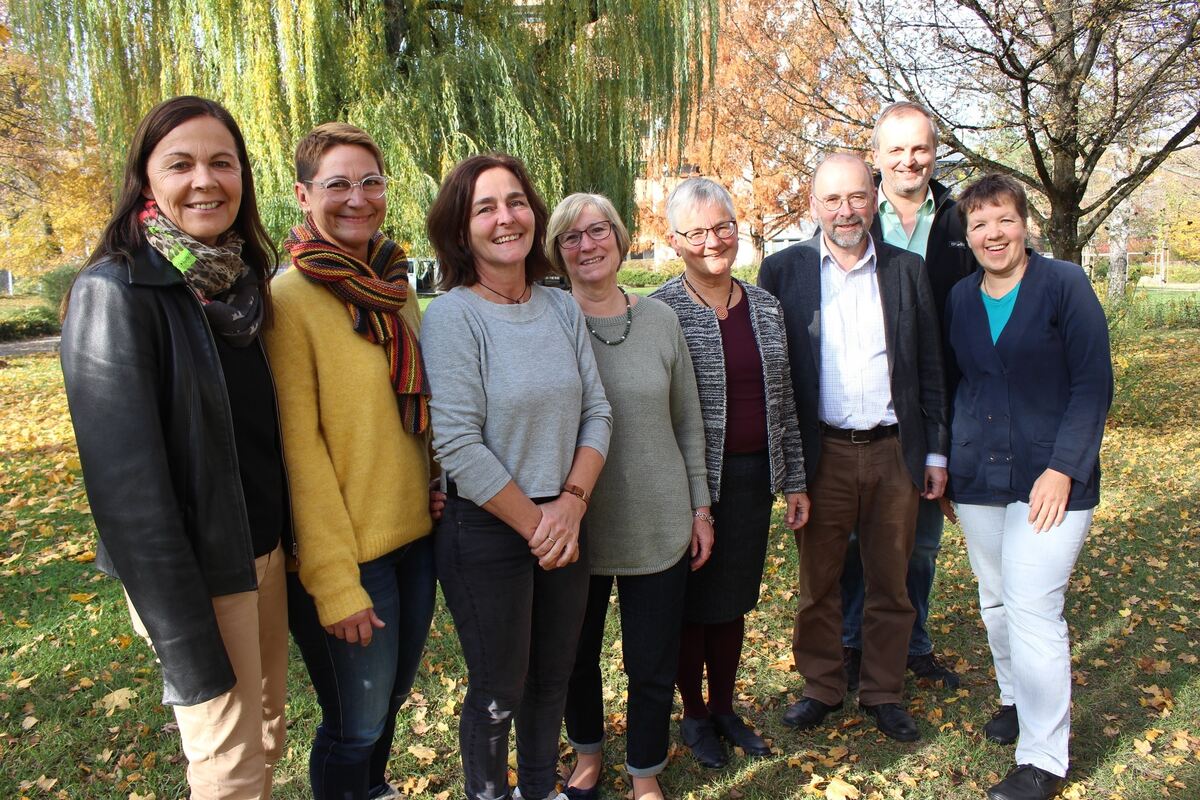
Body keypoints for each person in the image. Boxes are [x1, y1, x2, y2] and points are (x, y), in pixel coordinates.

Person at [59, 95, 289, 799]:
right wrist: (185, 636)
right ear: (146, 178)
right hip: (200, 574)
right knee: (228, 765)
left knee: (267, 736)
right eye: (180, 164)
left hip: (264, 554)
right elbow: (127, 495)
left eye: (223, 162)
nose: (205, 181)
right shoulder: (116, 291)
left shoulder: (239, 285)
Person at [421, 154, 612, 800]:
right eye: (486, 207)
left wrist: (572, 504)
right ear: (461, 228)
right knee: (500, 691)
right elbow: (457, 444)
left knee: (552, 679)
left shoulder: (560, 307)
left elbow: (597, 411)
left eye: (516, 201)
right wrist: (540, 526)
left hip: (566, 518)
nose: (506, 218)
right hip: (489, 528)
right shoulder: (453, 317)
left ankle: (539, 789)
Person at [264, 122, 436, 800]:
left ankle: (373, 790)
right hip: (350, 554)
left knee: (387, 702)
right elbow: (299, 452)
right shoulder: (289, 301)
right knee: (355, 724)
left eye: (371, 182)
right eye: (338, 184)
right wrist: (334, 583)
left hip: (415, 538)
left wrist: (434, 481)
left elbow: (411, 410)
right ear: (304, 195)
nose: (358, 198)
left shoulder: (393, 285)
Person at [758, 153, 947, 743]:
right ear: (814, 205)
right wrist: (789, 469)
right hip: (823, 455)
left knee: (891, 580)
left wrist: (935, 453)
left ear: (874, 199)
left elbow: (930, 366)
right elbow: (774, 377)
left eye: (858, 197)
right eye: (833, 199)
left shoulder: (906, 270)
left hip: (894, 452)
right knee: (819, 583)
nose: (846, 211)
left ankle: (884, 691)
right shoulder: (782, 271)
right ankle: (821, 686)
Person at [945, 174, 1111, 800]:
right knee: (994, 599)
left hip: (1051, 477)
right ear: (968, 235)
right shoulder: (960, 297)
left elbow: (1093, 383)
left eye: (1004, 220)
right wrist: (947, 466)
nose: (993, 233)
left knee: (1033, 606)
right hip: (978, 475)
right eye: (980, 223)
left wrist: (1064, 468)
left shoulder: (1064, 284)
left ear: (1025, 225)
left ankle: (1043, 758)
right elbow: (959, 383)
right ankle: (1016, 699)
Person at [547, 193, 712, 800]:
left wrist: (700, 508)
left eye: (598, 231)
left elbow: (688, 421)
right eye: (571, 237)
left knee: (652, 661)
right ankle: (588, 753)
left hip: (657, 519)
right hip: (577, 524)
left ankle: (645, 770)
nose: (587, 245)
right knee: (574, 656)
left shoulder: (662, 320)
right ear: (557, 252)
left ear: (620, 240)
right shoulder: (546, 321)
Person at [651, 177, 810, 769]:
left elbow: (783, 399)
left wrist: (794, 479)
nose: (713, 241)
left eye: (722, 227)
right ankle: (693, 715)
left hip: (751, 481)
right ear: (675, 241)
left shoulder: (766, 307)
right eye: (696, 232)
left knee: (733, 601)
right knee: (691, 604)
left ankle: (724, 707)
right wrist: (689, 496)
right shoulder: (661, 311)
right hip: (687, 484)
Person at [838, 101, 976, 691]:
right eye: (895, 149)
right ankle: (851, 642)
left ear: (935, 152)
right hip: (867, 408)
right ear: (877, 155)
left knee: (920, 542)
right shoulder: (854, 217)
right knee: (854, 541)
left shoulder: (962, 220)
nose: (908, 160)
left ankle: (913, 642)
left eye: (919, 148)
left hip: (936, 404)